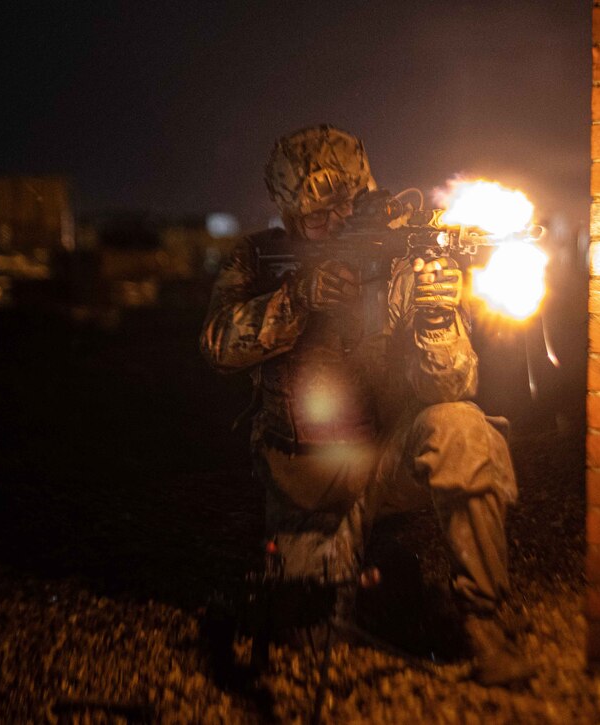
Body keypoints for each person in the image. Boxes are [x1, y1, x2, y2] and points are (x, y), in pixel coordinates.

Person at [199, 124, 532, 686]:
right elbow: (218, 347)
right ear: (289, 217)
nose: (329, 227)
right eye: (312, 218)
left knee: (463, 430)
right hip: (304, 477)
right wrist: (296, 298)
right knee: (308, 630)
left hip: (384, 462)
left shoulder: (405, 258)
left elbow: (450, 388)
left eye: (341, 210)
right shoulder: (259, 258)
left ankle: (487, 623)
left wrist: (435, 319)